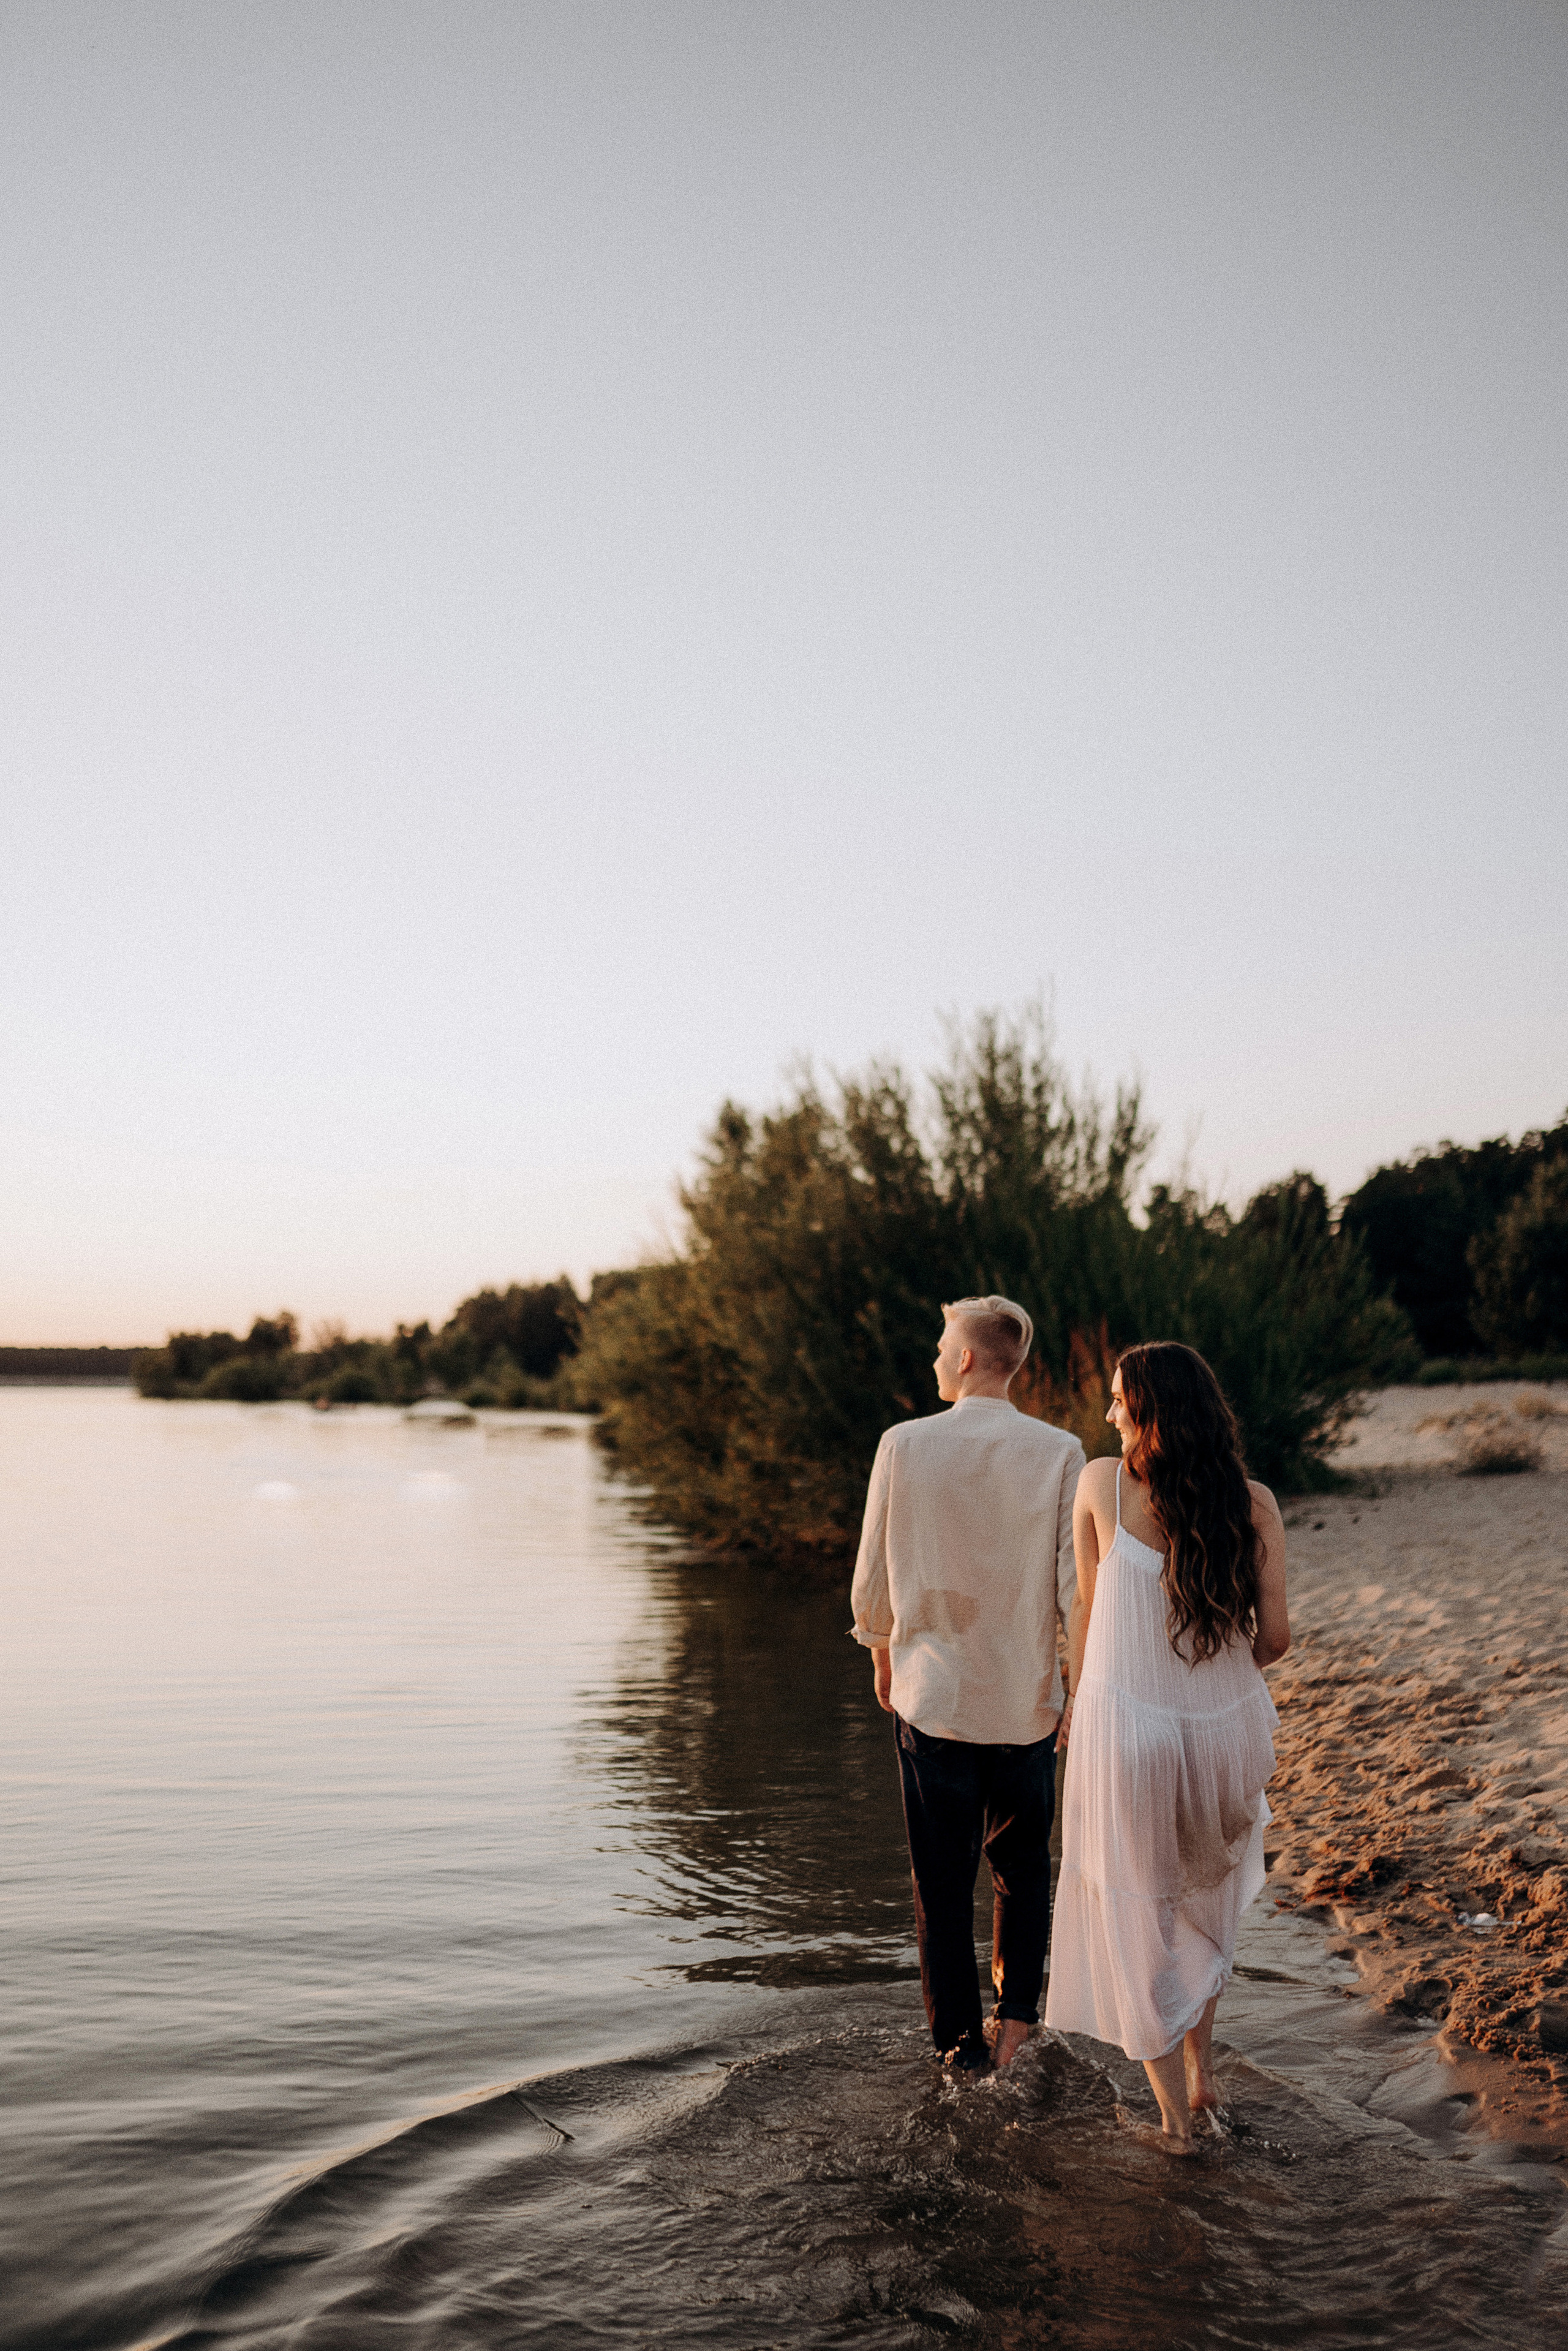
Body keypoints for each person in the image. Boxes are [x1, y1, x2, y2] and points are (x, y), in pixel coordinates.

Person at [1045, 1341, 1291, 2154]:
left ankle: (1175, 2126)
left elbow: (1089, 1613)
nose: (1109, 1412)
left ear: (1152, 1410)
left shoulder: (1100, 1485)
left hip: (1126, 1729)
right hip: (1224, 1733)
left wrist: (1077, 1707)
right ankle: (1203, 2074)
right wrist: (1212, 1685)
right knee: (1201, 1900)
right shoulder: (1252, 1503)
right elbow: (1275, 1638)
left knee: (1135, 1915)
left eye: (1121, 1399)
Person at [850, 1296, 1084, 2074]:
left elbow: (873, 1573)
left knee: (942, 1888)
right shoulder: (1060, 1451)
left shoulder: (903, 1443)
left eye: (940, 1346)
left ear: (967, 1358)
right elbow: (1073, 1588)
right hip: (1026, 1702)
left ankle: (959, 2054)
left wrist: (880, 1652)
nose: (934, 1359)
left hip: (934, 1698)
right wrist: (1076, 1687)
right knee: (1023, 1873)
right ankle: (1015, 2028)